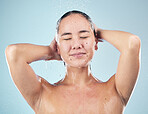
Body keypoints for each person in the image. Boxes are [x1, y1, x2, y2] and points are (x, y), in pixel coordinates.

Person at [5, 10, 141, 114]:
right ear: (58, 46)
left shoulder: (115, 90)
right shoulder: (43, 94)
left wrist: (98, 32)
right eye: (67, 38)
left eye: (83, 36)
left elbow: (132, 43)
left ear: (95, 43)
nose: (76, 45)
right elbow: (14, 53)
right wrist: (50, 52)